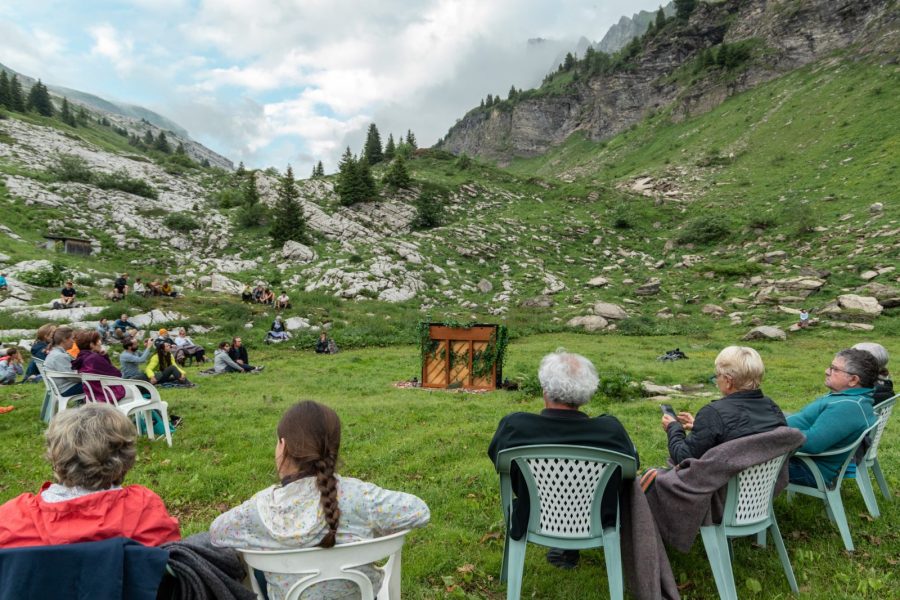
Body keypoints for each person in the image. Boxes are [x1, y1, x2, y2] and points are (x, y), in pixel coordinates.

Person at [210, 401, 429, 600]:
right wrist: (372, 531)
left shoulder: (260, 510)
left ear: (283, 446)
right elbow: (419, 511)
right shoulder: (361, 497)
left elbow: (217, 533)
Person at [487, 349, 639, 569]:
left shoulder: (515, 427)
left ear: (545, 390)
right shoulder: (611, 431)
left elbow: (498, 461)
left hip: (532, 517)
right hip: (597, 520)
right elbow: (632, 468)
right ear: (587, 392)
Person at [0, 403, 181, 547]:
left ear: (55, 455)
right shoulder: (144, 510)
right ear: (126, 458)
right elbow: (170, 563)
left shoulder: (12, 519)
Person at [662, 346, 786, 463]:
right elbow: (743, 429)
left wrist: (673, 428)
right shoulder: (771, 407)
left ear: (728, 381)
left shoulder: (713, 413)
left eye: (717, 375)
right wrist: (702, 427)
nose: (716, 380)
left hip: (722, 478)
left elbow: (683, 457)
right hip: (763, 477)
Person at [787, 348, 879, 487]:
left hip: (807, 469)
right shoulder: (851, 399)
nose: (827, 371)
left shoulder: (848, 407)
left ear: (853, 380)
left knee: (750, 455)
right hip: (800, 459)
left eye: (834, 369)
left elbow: (812, 443)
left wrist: (772, 435)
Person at [72, 330, 126, 402]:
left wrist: (104, 356)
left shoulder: (82, 358)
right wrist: (104, 357)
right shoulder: (94, 358)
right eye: (98, 340)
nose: (100, 342)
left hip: (93, 395)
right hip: (108, 394)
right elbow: (117, 374)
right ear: (91, 344)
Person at [43, 327, 84, 398]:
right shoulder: (60, 356)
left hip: (61, 387)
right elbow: (72, 377)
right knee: (97, 384)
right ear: (64, 339)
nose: (73, 341)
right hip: (66, 389)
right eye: (72, 338)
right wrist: (88, 377)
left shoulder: (55, 352)